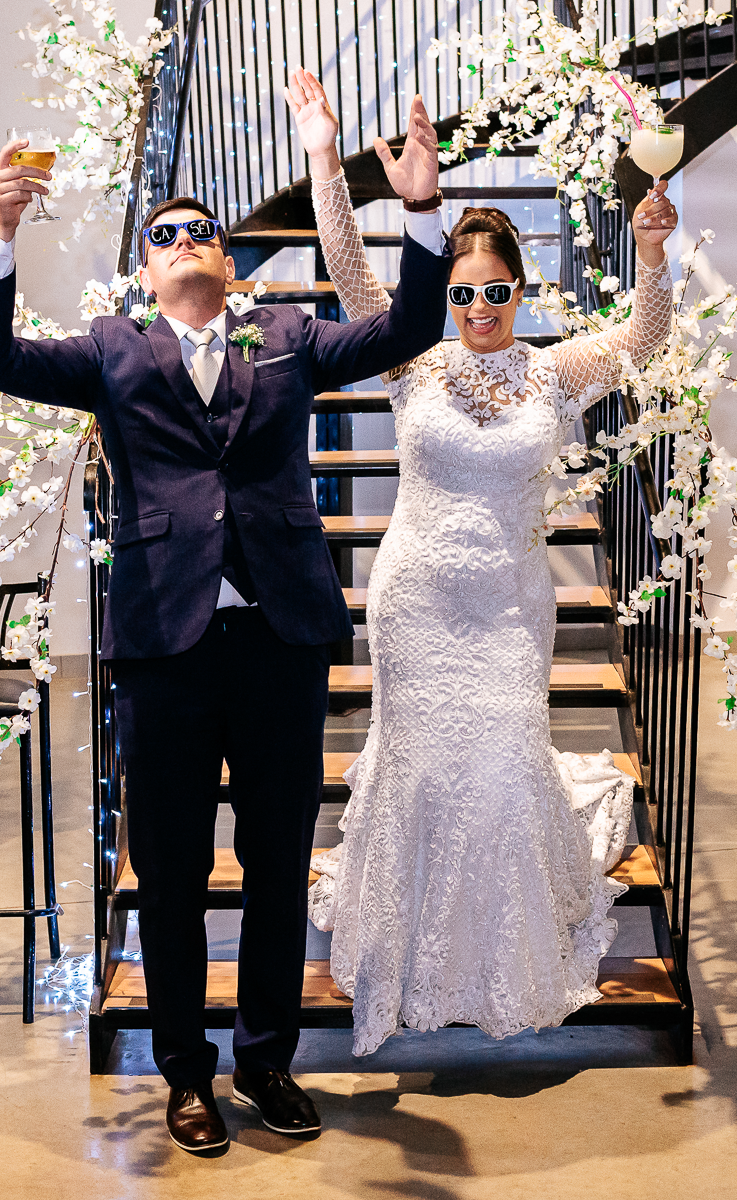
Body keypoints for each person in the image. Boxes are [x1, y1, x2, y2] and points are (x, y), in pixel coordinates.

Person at [0, 136, 451, 1150]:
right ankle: (185, 1071)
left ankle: (266, 1058)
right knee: (173, 872)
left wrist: (423, 213)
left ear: (227, 260)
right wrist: (0, 234)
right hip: (164, 648)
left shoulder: (290, 336)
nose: (185, 241)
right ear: (147, 269)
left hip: (280, 640)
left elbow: (406, 326)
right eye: (164, 234)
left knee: (276, 863)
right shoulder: (111, 349)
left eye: (202, 232)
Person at [285, 69, 677, 1055]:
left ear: (519, 287)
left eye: (497, 290)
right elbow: (349, 271)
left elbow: (645, 334)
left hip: (509, 610)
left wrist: (651, 253)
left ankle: (500, 965)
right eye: (463, 292)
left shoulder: (551, 368)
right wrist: (327, 158)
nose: (480, 307)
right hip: (415, 604)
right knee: (420, 778)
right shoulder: (408, 353)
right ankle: (413, 960)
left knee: (502, 772)